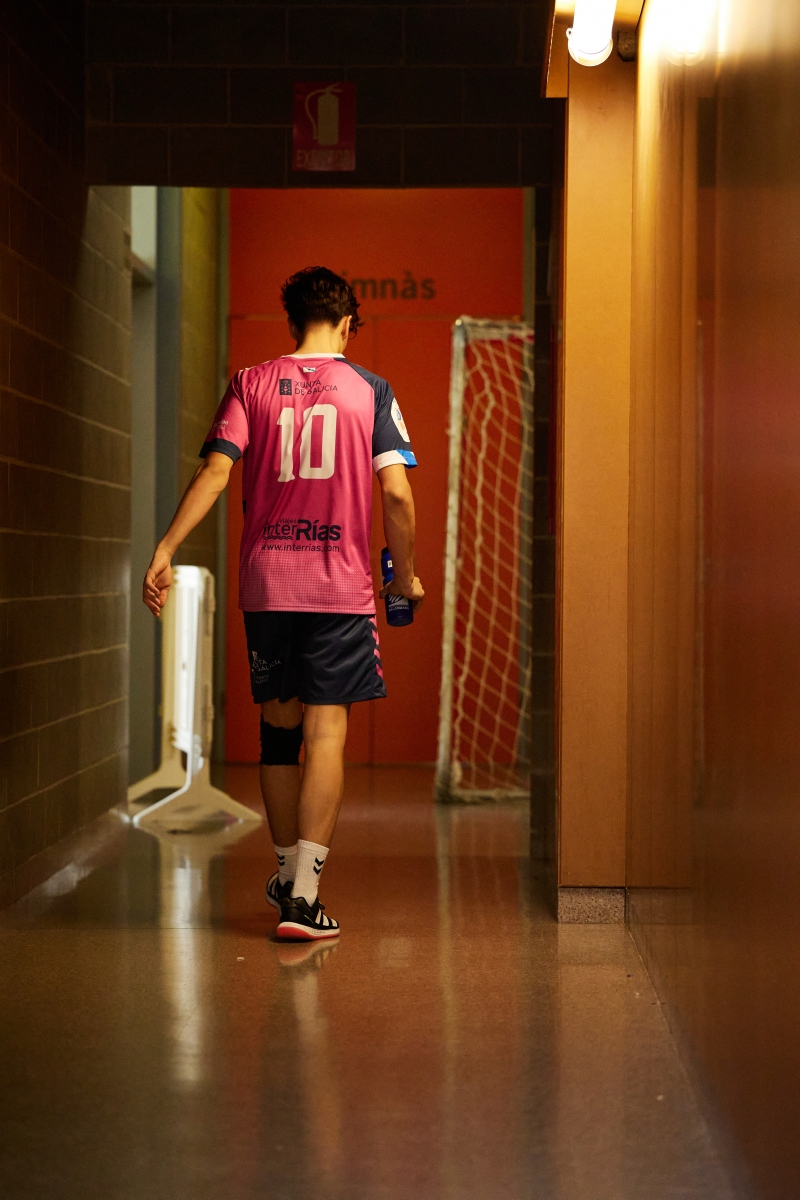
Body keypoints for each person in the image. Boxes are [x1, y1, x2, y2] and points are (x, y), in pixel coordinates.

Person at [143, 266, 424, 941]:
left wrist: (165, 547)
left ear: (291, 322)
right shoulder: (372, 389)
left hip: (268, 584)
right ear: (348, 324)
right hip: (339, 588)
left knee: (279, 731)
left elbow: (216, 471)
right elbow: (396, 493)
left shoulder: (250, 382)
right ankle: (304, 897)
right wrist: (405, 578)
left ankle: (284, 875)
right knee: (327, 734)